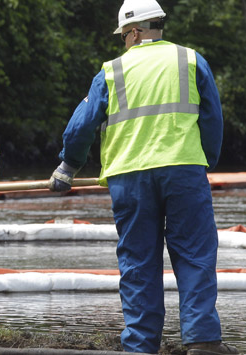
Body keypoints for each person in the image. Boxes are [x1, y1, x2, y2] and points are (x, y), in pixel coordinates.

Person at [48, 1, 239, 354]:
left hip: (129, 177)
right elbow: (213, 120)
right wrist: (205, 161)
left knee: (138, 261)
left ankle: (140, 345)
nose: (123, 41)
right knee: (195, 254)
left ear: (134, 32)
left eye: (123, 35)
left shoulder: (112, 70)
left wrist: (68, 166)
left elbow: (81, 125)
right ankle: (202, 341)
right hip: (183, 170)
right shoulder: (191, 60)